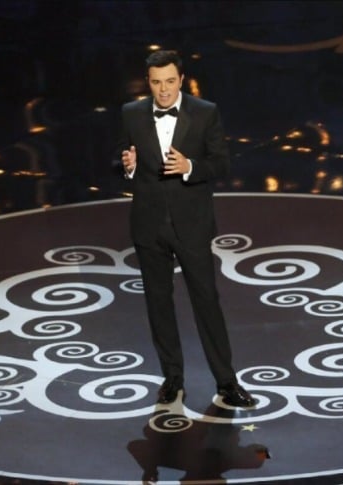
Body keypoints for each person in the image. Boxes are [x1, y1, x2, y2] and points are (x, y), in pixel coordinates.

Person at [117, 50, 256, 408]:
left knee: (206, 301)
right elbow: (123, 160)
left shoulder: (205, 112)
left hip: (191, 225)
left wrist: (190, 166)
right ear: (148, 83)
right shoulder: (131, 113)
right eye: (156, 83)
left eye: (169, 82)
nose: (163, 90)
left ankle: (227, 382)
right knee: (158, 304)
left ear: (181, 79)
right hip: (149, 225)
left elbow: (221, 163)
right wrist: (128, 166)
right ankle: (172, 379)